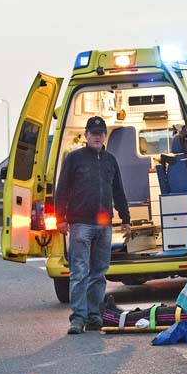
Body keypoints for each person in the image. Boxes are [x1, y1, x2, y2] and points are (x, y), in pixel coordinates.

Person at [55, 116, 131, 335]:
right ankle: (77, 319)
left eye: (101, 133)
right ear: (86, 135)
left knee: (99, 273)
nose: (97, 137)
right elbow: (62, 190)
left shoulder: (111, 161)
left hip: (104, 225)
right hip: (80, 224)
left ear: (105, 136)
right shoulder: (74, 159)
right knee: (79, 272)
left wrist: (125, 218)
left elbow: (118, 190)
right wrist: (60, 218)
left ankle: (94, 316)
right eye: (93, 133)